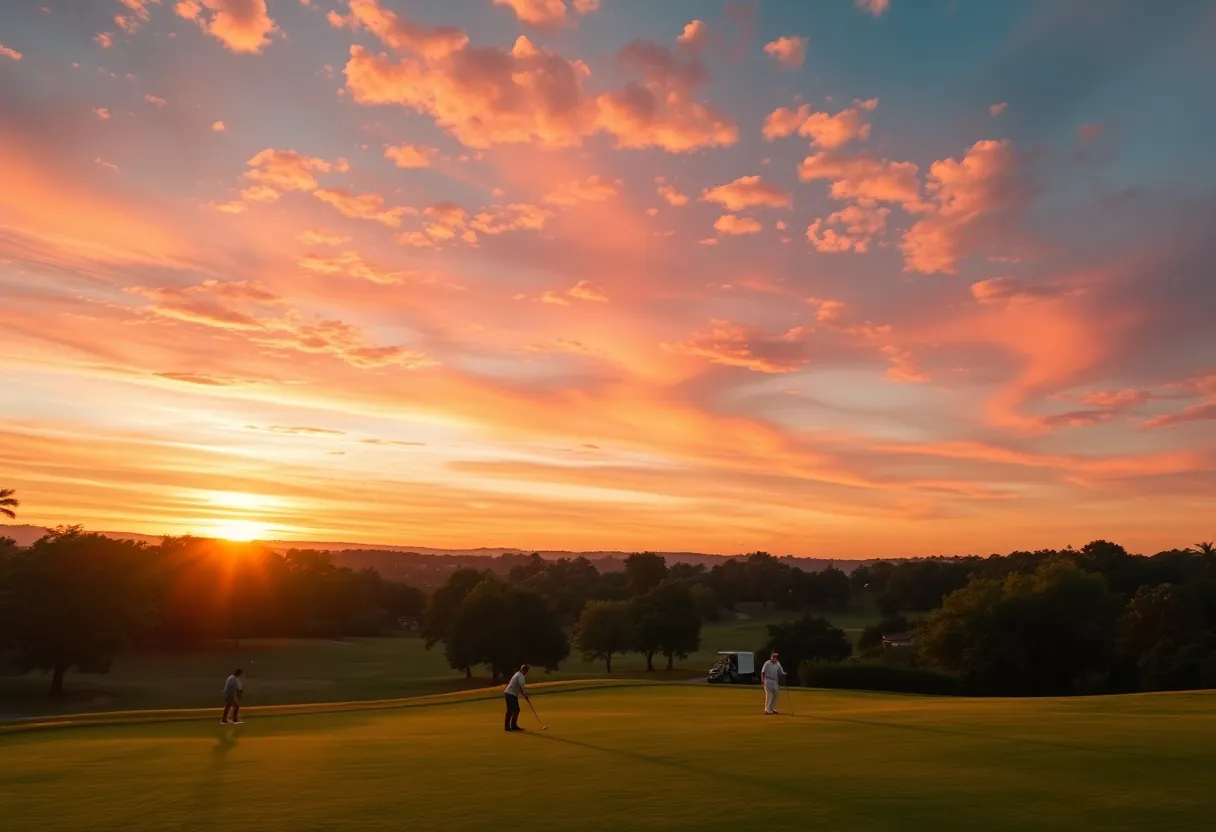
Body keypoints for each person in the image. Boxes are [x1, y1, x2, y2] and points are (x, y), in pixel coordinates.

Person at [503, 663, 530, 732]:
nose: (527, 672)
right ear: (523, 669)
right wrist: (525, 695)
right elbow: (521, 687)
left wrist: (524, 695)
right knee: (510, 710)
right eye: (526, 670)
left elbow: (520, 689)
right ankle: (507, 726)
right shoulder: (520, 675)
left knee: (516, 709)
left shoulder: (519, 674)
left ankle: (513, 725)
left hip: (512, 694)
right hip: (510, 694)